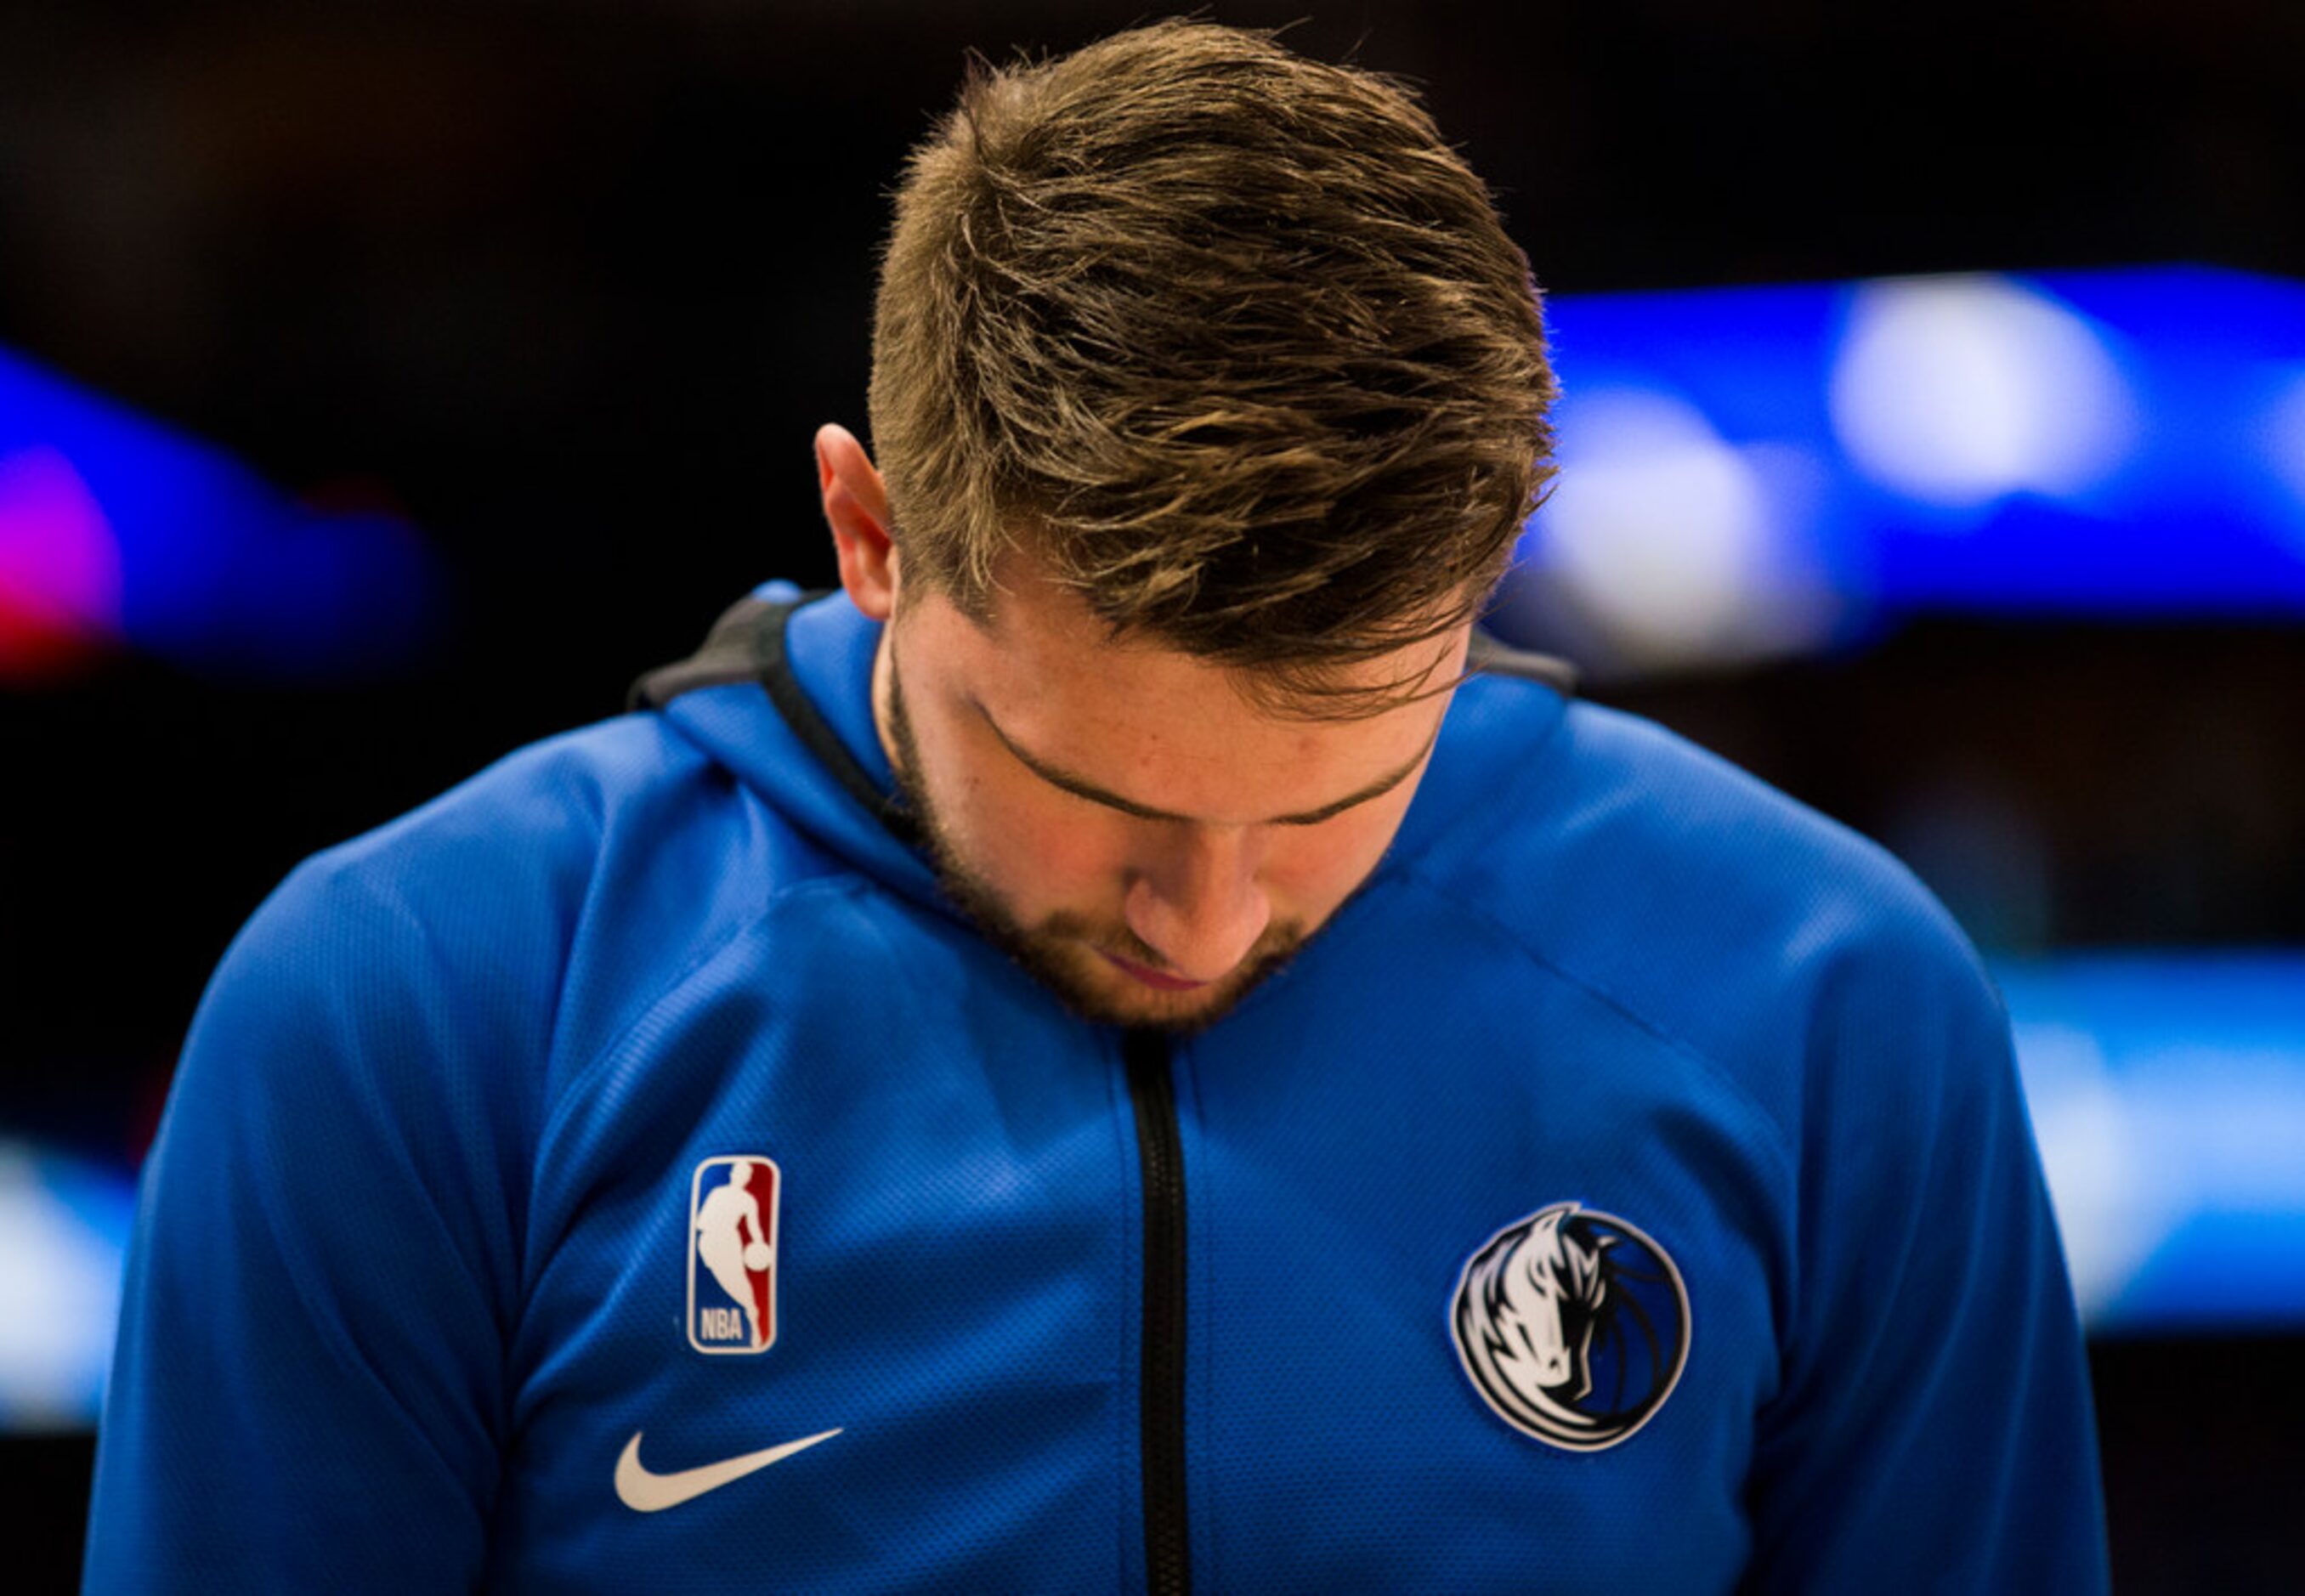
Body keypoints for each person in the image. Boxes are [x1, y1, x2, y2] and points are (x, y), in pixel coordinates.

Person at [84, 20, 2109, 1592]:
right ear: (872, 533)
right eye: (1096, 788)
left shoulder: (1835, 1004)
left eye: (1340, 797)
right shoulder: (416, 1008)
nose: (1208, 919)